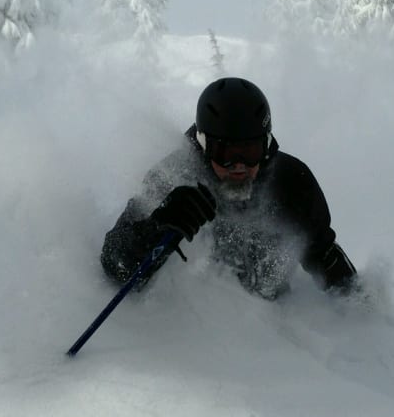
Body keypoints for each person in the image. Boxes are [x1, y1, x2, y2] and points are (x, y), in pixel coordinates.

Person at [101, 76, 358, 300]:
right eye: (225, 152)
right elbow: (116, 266)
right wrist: (157, 227)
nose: (239, 166)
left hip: (276, 333)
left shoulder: (292, 182)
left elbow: (323, 255)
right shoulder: (174, 177)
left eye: (250, 152)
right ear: (203, 144)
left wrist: (361, 309)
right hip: (194, 338)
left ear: (266, 144)